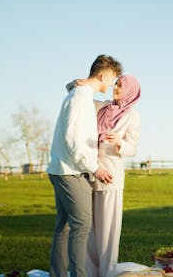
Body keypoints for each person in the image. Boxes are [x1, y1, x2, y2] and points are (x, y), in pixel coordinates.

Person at [47, 54, 122, 277]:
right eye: (112, 80)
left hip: (62, 169)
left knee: (64, 227)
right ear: (104, 75)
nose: (111, 85)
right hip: (71, 172)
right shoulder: (80, 97)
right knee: (82, 226)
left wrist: (74, 82)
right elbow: (73, 140)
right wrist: (95, 167)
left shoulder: (80, 94)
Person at [67, 75, 141, 277]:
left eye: (120, 85)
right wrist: (77, 83)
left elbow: (133, 148)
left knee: (108, 232)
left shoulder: (132, 115)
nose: (115, 87)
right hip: (90, 173)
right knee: (90, 231)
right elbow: (75, 93)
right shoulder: (102, 106)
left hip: (111, 177)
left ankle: (108, 273)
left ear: (129, 91)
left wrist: (120, 143)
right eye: (115, 83)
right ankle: (91, 273)